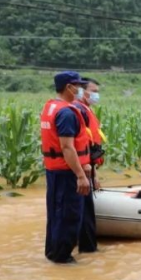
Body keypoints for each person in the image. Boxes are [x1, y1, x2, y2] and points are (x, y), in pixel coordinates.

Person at [41, 71, 91, 264]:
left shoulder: (51, 107)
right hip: (66, 172)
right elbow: (67, 147)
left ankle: (53, 253)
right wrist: (80, 175)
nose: (80, 89)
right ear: (69, 87)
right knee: (69, 216)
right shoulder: (66, 113)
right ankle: (62, 259)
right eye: (77, 86)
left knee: (56, 214)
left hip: (54, 171)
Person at [73, 77, 105, 253]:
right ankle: (88, 249)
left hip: (87, 167)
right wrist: (91, 173)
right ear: (82, 92)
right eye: (93, 91)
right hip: (83, 169)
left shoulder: (85, 110)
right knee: (84, 213)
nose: (96, 95)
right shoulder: (79, 111)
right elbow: (82, 145)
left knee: (85, 212)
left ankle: (87, 247)